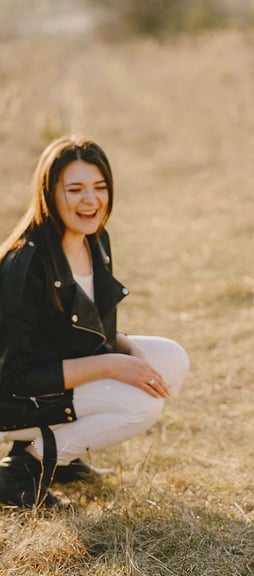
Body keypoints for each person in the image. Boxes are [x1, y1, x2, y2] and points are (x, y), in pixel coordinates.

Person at [0, 135, 190, 507]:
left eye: (99, 187)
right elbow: (15, 377)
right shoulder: (25, 265)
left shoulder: (95, 239)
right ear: (49, 193)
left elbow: (83, 330)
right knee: (142, 405)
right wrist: (114, 364)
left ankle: (64, 458)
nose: (91, 200)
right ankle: (26, 465)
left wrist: (128, 350)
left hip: (52, 382)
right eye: (75, 189)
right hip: (13, 399)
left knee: (171, 360)